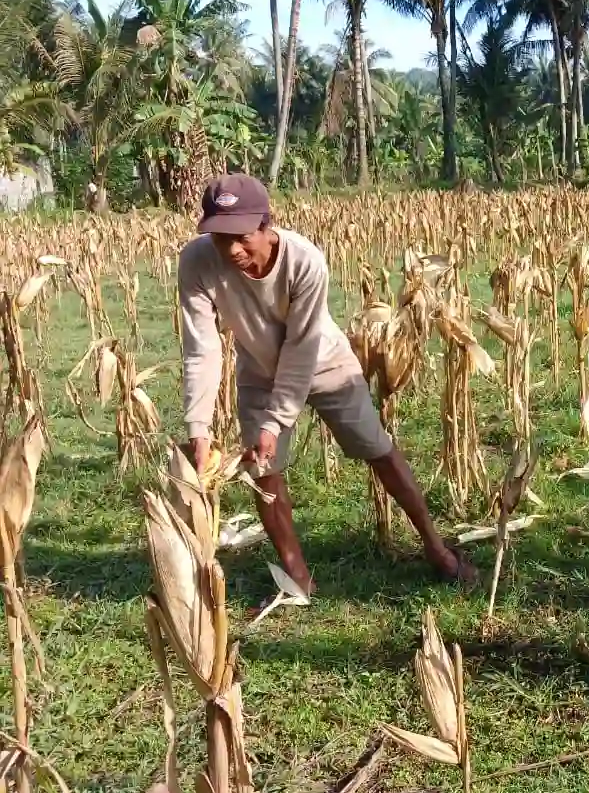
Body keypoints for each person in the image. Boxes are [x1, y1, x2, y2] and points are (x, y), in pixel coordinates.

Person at [178, 174, 477, 598]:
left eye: (241, 238)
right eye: (219, 238)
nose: (231, 251)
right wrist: (199, 429)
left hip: (324, 362)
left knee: (377, 448)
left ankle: (436, 548)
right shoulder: (196, 262)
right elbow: (202, 349)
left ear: (266, 224)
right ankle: (298, 577)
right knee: (264, 473)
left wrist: (275, 422)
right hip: (259, 372)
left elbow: (300, 349)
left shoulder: (305, 261)